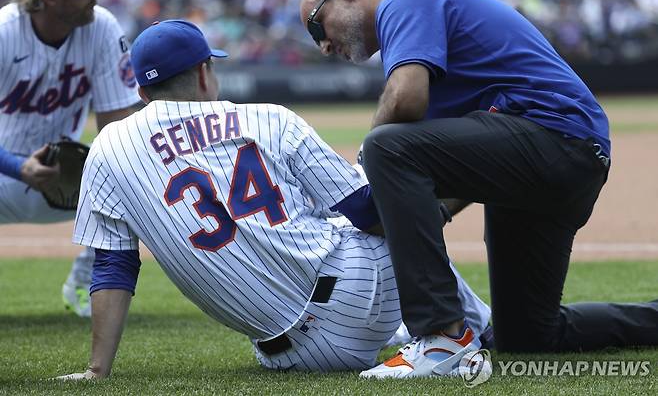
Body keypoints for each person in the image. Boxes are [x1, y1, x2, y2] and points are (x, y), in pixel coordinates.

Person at [56, 19, 491, 380]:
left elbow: (113, 266)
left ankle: (420, 328)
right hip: (360, 296)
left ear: (143, 93)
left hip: (297, 357)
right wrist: (440, 204)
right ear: (205, 72)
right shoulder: (268, 118)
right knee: (379, 193)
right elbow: (368, 213)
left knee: (338, 213)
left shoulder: (108, 147)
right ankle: (467, 332)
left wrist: (97, 370)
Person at [300, 0, 658, 379]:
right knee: (527, 335)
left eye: (317, 27)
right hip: (558, 162)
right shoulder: (423, 32)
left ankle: (442, 337)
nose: (323, 46)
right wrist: (436, 208)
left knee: (385, 145)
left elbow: (405, 102)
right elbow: (471, 157)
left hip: (557, 137)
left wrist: (369, 163)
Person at [0, 0, 141, 317]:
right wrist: (17, 167)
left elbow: (118, 130)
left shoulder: (102, 27)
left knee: (135, 174)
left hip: (67, 180)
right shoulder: (4, 33)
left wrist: (113, 177)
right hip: (3, 172)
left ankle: (88, 283)